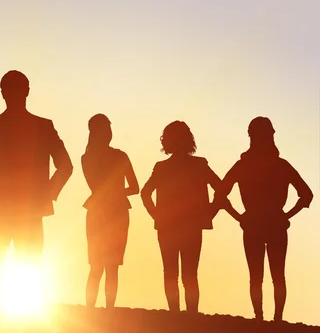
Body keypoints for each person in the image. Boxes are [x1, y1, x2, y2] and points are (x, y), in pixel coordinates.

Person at [0, 70, 73, 303]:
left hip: (2, 211)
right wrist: (47, 193)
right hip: (19, 211)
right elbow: (66, 166)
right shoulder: (41, 126)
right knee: (19, 268)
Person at [216, 117, 313, 321]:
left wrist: (239, 217)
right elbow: (306, 195)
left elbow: (220, 195)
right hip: (272, 224)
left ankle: (261, 317)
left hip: (254, 224)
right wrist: (286, 215)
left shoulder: (244, 165)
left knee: (257, 277)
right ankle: (275, 318)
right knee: (277, 276)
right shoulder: (281, 165)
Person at [141, 121, 225, 313]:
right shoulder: (198, 164)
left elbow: (145, 193)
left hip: (170, 226)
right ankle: (190, 315)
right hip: (188, 226)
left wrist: (157, 216)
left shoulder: (163, 167)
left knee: (172, 273)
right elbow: (220, 189)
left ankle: (176, 315)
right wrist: (210, 212)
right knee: (189, 274)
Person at [82, 114, 139, 308]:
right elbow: (133, 187)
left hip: (105, 211)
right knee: (102, 266)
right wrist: (116, 192)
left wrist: (110, 192)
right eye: (105, 129)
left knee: (103, 266)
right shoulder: (114, 156)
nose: (108, 133)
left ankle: (102, 310)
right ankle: (101, 310)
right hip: (112, 211)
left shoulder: (88, 158)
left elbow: (134, 187)